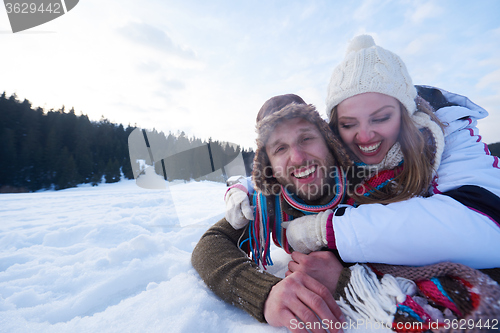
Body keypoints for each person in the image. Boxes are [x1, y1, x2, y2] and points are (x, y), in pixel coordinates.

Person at [192, 94, 500, 331]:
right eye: (280, 148)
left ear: (328, 141)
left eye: (306, 138)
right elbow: (211, 243)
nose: (298, 157)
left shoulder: (371, 181)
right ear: (268, 163)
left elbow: (451, 246)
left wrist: (348, 280)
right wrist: (265, 292)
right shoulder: (266, 202)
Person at [226, 35, 500, 269]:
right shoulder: (339, 149)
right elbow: (290, 168)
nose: (365, 136)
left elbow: (485, 226)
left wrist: (330, 230)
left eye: (381, 118)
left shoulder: (450, 134)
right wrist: (242, 187)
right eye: (348, 124)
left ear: (407, 113)